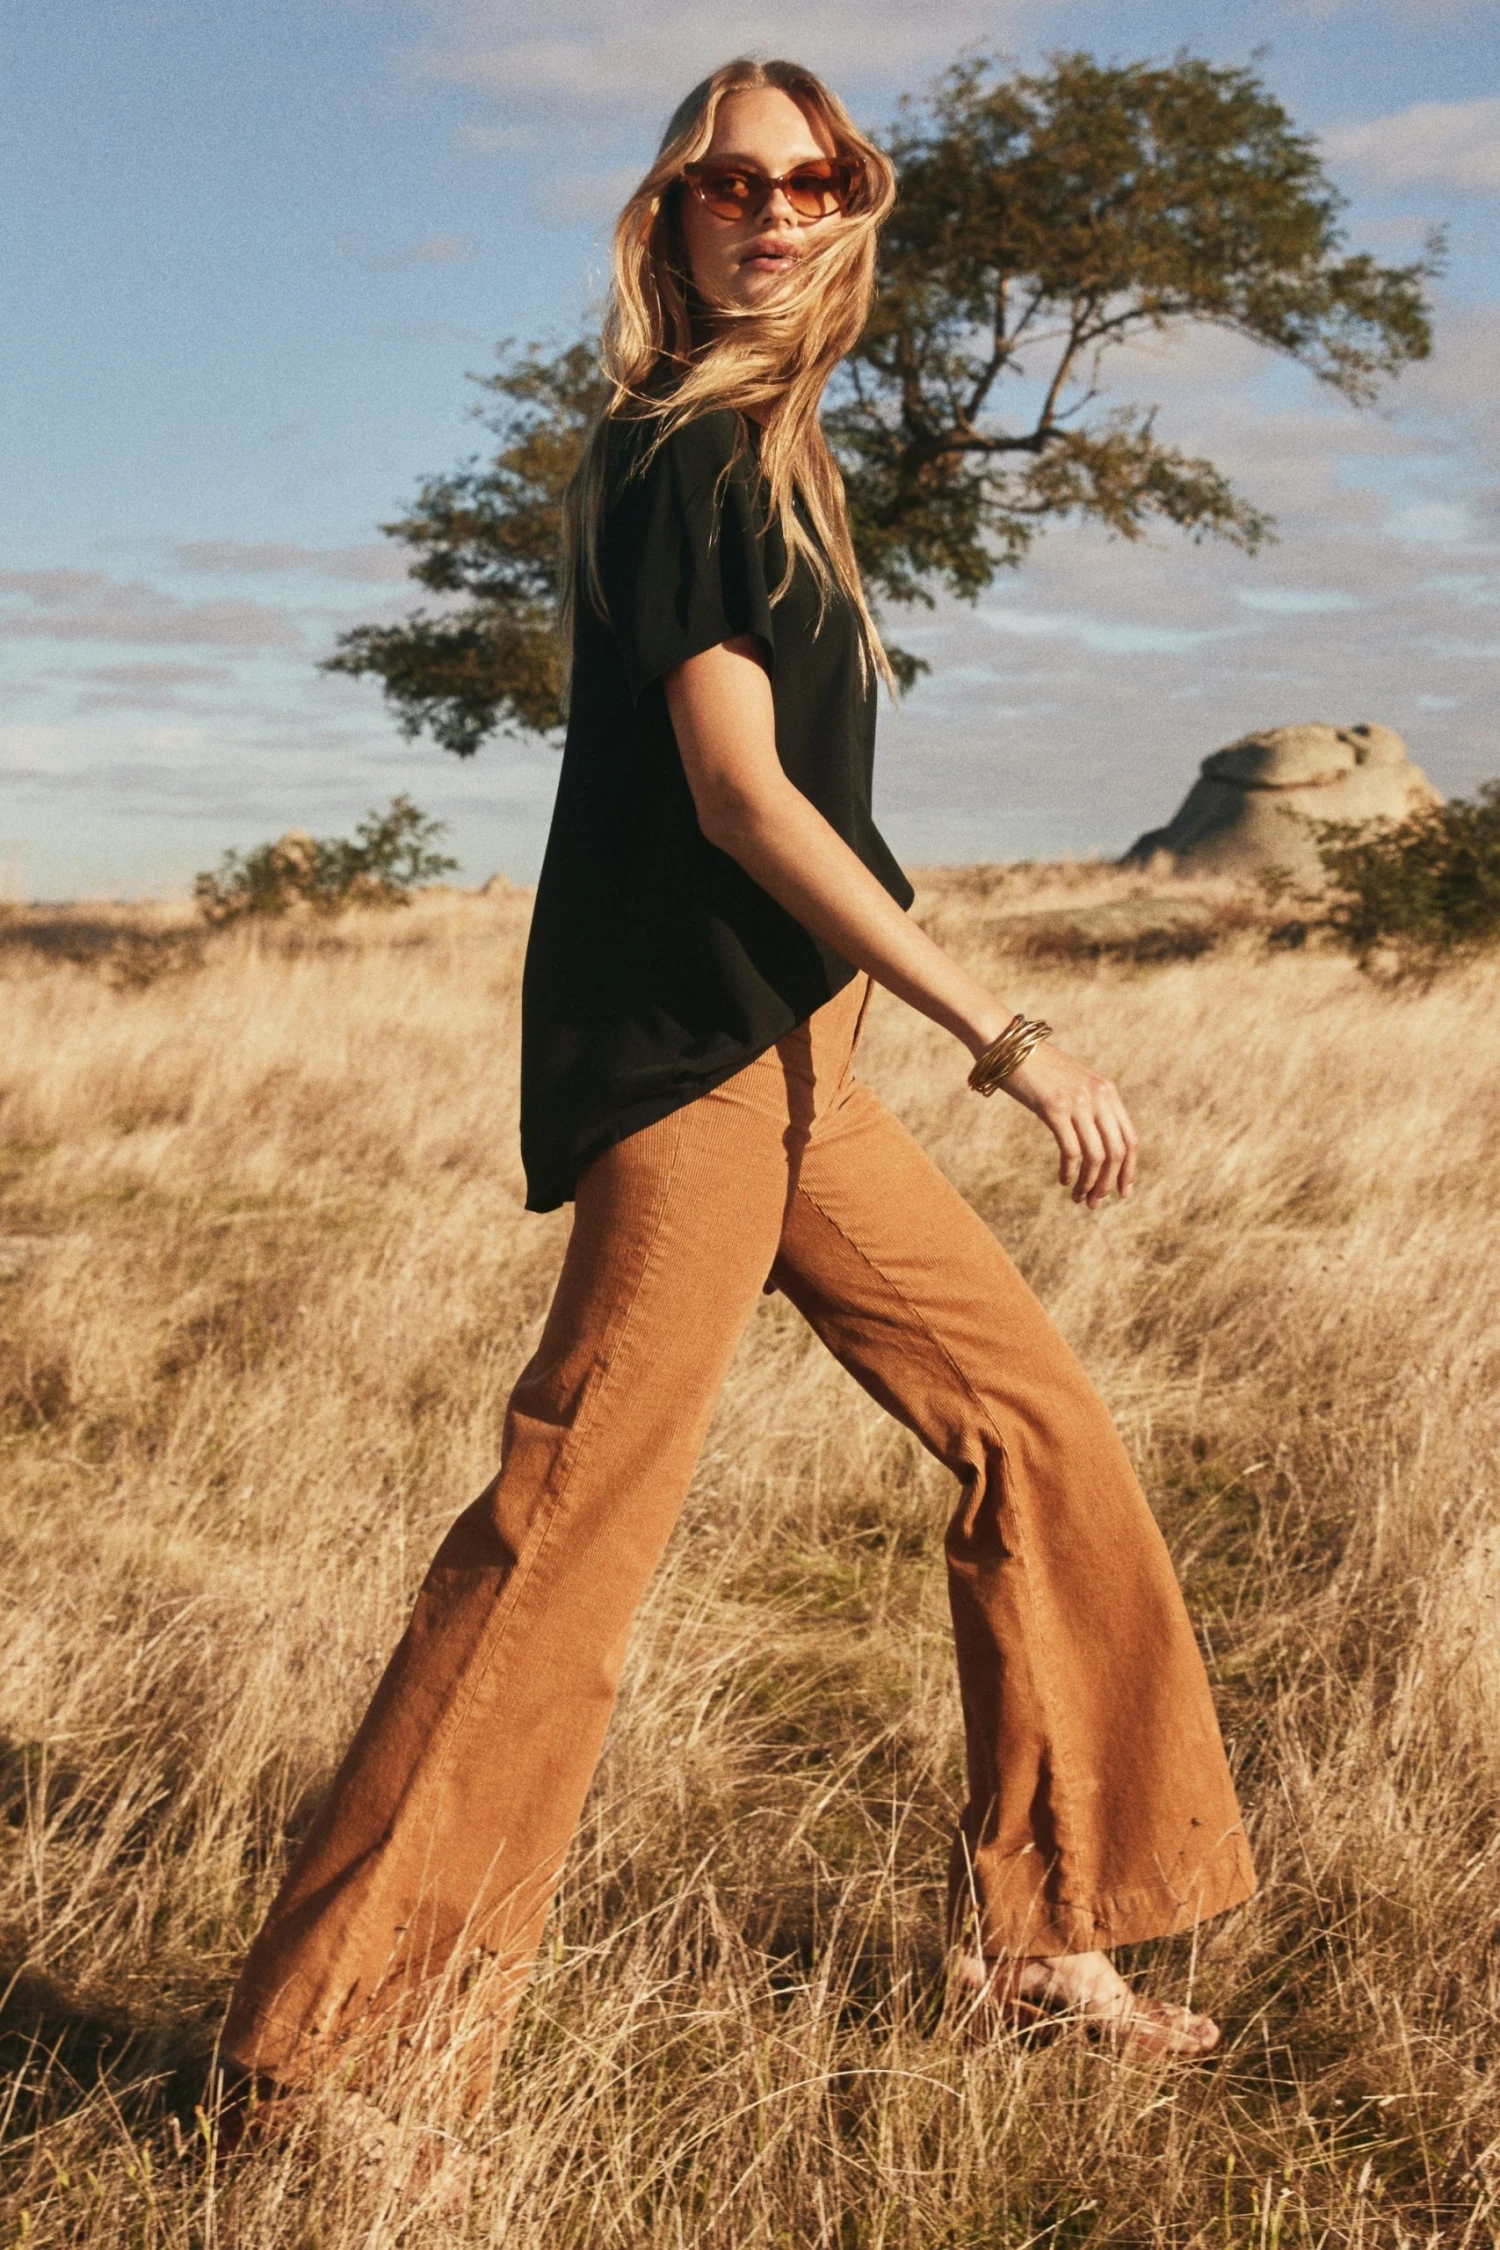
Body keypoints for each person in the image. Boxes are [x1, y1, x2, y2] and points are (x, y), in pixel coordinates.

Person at [218, 55, 1256, 2114]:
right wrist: (1009, 1034)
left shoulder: (783, 454)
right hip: (693, 1062)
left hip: (802, 1059)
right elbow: (738, 797)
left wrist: (887, 1003)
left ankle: (1042, 1937)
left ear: (855, 203)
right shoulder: (683, 451)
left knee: (1034, 1430)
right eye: (727, 182)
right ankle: (336, 2065)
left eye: (812, 176)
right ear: (668, 217)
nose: (772, 210)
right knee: (571, 1523)